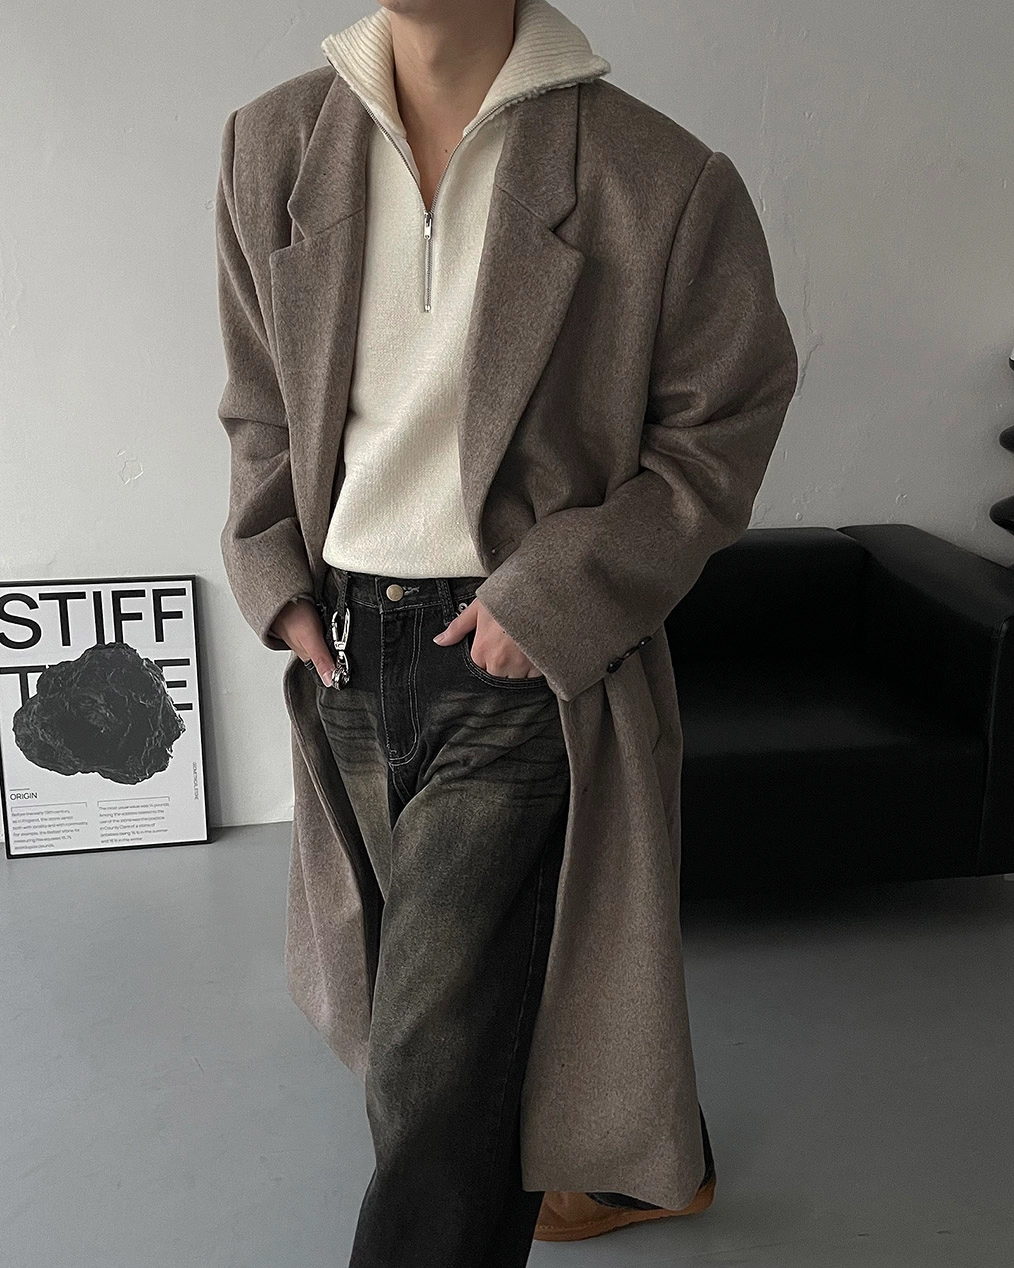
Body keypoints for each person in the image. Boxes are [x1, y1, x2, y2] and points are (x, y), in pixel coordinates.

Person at [214, 0, 798, 1264]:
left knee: (430, 1059)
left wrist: (555, 599)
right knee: (436, 1005)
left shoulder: (658, 177)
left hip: (515, 655)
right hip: (342, 651)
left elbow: (722, 428)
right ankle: (641, 1154)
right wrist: (271, 570)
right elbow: (260, 401)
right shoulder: (273, 145)